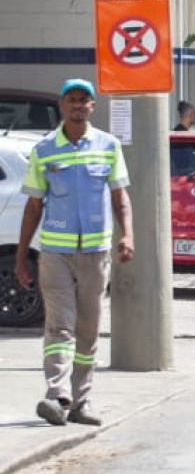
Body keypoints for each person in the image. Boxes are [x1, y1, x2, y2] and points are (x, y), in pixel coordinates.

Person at [15, 78, 134, 427]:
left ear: (92, 107)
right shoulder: (45, 149)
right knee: (59, 327)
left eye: (85, 100)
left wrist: (127, 236)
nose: (78, 105)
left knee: (88, 330)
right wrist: (23, 256)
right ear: (62, 106)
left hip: (96, 255)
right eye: (72, 100)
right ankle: (56, 394)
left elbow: (119, 197)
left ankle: (80, 402)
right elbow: (33, 207)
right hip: (56, 255)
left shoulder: (108, 146)